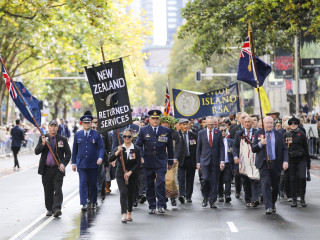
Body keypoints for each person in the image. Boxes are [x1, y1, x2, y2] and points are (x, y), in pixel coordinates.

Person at [135, 110, 174, 214]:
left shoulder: (166, 130)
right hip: (148, 161)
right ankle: (152, 205)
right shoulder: (143, 130)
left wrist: (170, 161)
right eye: (153, 118)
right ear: (149, 119)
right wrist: (141, 156)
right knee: (149, 184)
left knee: (160, 182)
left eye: (157, 119)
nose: (155, 120)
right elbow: (138, 145)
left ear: (159, 119)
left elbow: (170, 147)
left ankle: (161, 204)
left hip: (161, 160)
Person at [35, 120, 71, 217]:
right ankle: (50, 209)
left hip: (58, 169)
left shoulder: (62, 139)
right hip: (46, 169)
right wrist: (43, 144)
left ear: (57, 127)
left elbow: (68, 154)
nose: (53, 128)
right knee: (48, 190)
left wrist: (63, 164)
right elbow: (36, 151)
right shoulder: (43, 138)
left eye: (55, 126)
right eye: (51, 126)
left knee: (58, 189)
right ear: (48, 127)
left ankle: (57, 209)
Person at [252, 116, 288, 214]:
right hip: (264, 164)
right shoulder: (258, 133)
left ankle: (273, 203)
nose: (269, 125)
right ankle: (268, 206)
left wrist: (285, 161)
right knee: (266, 184)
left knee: (275, 186)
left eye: (271, 123)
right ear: (263, 124)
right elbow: (253, 148)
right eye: (267, 123)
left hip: (276, 163)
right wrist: (260, 143)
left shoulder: (279, 134)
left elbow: (284, 148)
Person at [71, 113, 105, 211]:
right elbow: (75, 150)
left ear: (91, 123)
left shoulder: (97, 134)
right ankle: (84, 203)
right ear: (82, 124)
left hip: (93, 164)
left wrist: (100, 158)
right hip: (81, 164)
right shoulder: (78, 134)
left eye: (88, 123)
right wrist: (73, 163)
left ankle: (93, 201)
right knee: (82, 183)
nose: (87, 124)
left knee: (93, 183)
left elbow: (101, 147)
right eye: (85, 123)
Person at [109, 128, 141, 223]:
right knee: (123, 192)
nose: (127, 138)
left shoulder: (136, 149)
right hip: (120, 175)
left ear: (132, 137)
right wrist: (117, 152)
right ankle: (123, 214)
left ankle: (129, 212)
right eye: (125, 136)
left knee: (130, 194)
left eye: (129, 136)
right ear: (122, 137)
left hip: (132, 175)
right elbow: (110, 159)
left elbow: (138, 163)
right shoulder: (119, 148)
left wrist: (130, 172)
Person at [196, 116, 225, 209]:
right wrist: (198, 162)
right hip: (204, 161)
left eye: (212, 124)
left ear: (214, 124)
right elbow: (198, 148)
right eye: (208, 124)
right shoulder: (201, 133)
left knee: (214, 181)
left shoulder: (218, 133)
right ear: (205, 124)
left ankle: (212, 201)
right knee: (205, 179)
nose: (210, 126)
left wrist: (222, 161)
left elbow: (221, 148)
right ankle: (205, 197)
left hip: (215, 162)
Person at [233, 116, 260, 207]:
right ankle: (248, 199)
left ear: (252, 123)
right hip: (243, 160)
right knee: (246, 181)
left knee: (254, 179)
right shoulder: (239, 133)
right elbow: (235, 146)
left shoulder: (257, 132)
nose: (247, 123)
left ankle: (255, 198)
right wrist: (236, 156)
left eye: (249, 122)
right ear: (243, 123)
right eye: (246, 122)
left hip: (254, 160)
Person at [284, 117, 310, 207]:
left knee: (302, 178)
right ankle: (294, 199)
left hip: (301, 159)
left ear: (298, 124)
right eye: (291, 123)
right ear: (289, 125)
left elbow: (306, 149)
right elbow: (284, 149)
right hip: (291, 160)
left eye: (295, 123)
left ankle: (302, 198)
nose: (293, 125)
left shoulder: (302, 134)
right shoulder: (286, 134)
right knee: (292, 179)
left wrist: (308, 163)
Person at [176, 118, 197, 204]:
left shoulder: (193, 135)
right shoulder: (177, 135)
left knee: (190, 179)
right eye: (183, 124)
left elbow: (197, 148)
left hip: (191, 160)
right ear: (180, 125)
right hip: (181, 160)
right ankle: (182, 195)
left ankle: (188, 196)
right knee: (181, 178)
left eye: (186, 124)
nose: (185, 126)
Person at [218, 124, 234, 203]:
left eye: (225, 130)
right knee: (219, 180)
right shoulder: (216, 141)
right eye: (221, 131)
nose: (223, 132)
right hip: (218, 164)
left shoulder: (230, 141)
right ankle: (220, 195)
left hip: (227, 163)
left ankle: (227, 195)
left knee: (227, 179)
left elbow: (234, 152)